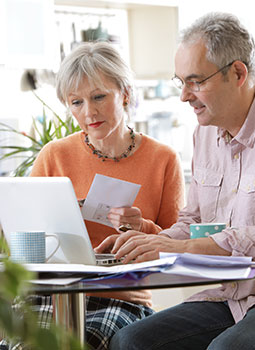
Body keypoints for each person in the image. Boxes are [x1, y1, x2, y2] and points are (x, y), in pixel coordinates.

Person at [95, 12, 255, 350]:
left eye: (195, 81)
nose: (184, 95)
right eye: (180, 81)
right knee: (131, 341)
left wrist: (181, 247)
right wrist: (149, 244)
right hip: (232, 296)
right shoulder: (204, 135)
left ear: (238, 73)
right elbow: (194, 222)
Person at [28, 41, 185, 350]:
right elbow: (25, 236)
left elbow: (178, 249)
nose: (89, 112)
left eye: (99, 96)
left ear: (125, 94)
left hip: (122, 299)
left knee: (79, 342)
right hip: (54, 294)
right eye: (76, 102)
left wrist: (143, 228)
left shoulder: (162, 158)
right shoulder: (54, 155)